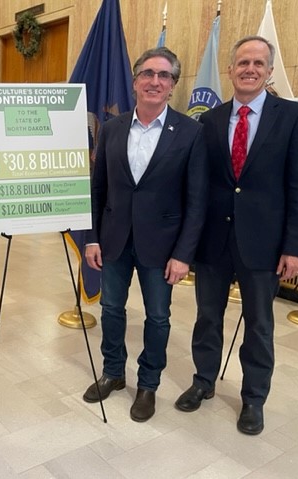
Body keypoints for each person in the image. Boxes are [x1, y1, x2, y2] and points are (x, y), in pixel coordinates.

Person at [175, 36, 298, 435]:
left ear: (269, 71)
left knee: (259, 325)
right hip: (213, 241)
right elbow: (201, 185)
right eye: (242, 63)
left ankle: (254, 398)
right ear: (231, 70)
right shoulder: (210, 120)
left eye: (258, 63)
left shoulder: (293, 116)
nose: (249, 69)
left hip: (264, 244)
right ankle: (204, 381)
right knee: (206, 318)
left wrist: (293, 246)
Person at [83, 47, 208, 422]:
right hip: (114, 240)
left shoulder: (191, 132)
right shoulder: (113, 128)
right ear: (135, 80)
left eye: (164, 76)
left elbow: (197, 200)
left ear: (172, 85)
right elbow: (97, 188)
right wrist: (91, 237)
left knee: (157, 318)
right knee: (110, 308)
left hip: (163, 246)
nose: (155, 81)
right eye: (148, 74)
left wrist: (184, 254)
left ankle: (148, 384)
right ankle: (114, 373)